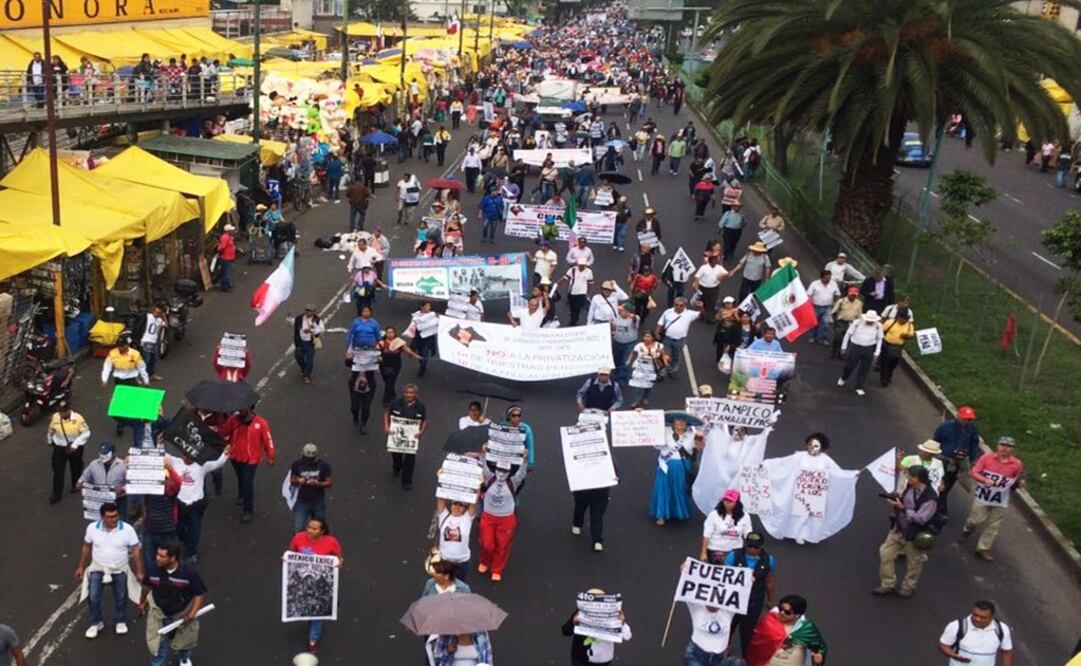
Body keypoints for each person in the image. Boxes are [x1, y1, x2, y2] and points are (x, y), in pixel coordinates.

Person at [75, 502, 144, 639]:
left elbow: (135, 550)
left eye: (115, 516)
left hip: (120, 568)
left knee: (121, 597)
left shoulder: (128, 529)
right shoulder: (92, 528)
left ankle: (120, 620)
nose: (114, 519)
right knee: (93, 597)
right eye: (110, 517)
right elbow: (87, 547)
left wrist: (139, 571)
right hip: (97, 567)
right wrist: (81, 566)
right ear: (102, 517)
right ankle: (96, 622)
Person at [873, 465, 938, 598]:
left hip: (914, 534)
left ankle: (908, 587)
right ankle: (887, 583)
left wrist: (902, 508)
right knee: (885, 553)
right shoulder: (910, 487)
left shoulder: (930, 498)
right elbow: (902, 498)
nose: (907, 478)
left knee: (914, 563)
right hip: (899, 528)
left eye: (909, 476)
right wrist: (894, 499)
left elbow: (921, 518)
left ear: (916, 479)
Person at [139, 541, 208, 666]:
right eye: (157, 554)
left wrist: (191, 614)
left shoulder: (189, 572)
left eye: (162, 556)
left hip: (181, 613)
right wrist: (142, 601)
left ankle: (185, 658)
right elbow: (146, 585)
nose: (157, 558)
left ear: (173, 558)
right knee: (158, 644)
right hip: (158, 613)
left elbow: (200, 593)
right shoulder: (153, 568)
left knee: (183, 639)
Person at [960, 436, 1025, 562]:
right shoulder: (987, 458)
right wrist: (985, 480)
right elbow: (974, 472)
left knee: (994, 525)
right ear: (997, 446)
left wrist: (1021, 481)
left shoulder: (1016, 464)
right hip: (984, 495)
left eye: (1008, 446)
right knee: (975, 520)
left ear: (1013, 449)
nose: (1005, 448)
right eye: (1002, 445)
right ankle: (967, 530)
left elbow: (1019, 475)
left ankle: (983, 548)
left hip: (1000, 498)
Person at [287, 517, 343, 653]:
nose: (310, 531)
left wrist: (339, 564)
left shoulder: (331, 542)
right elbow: (291, 553)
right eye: (309, 527)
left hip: (321, 585)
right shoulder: (298, 538)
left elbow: (339, 558)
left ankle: (313, 640)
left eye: (314, 528)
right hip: (304, 583)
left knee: (319, 611)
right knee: (310, 608)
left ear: (322, 531)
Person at [166, 443, 229, 564]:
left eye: (189, 455)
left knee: (195, 529)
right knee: (178, 529)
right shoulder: (176, 462)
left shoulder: (202, 465)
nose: (186, 457)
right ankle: (188, 543)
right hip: (180, 503)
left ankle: (191, 553)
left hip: (196, 504)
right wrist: (160, 443)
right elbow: (162, 455)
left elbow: (218, 464)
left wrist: (226, 453)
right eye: (184, 454)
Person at [478, 447, 529, 582]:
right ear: (495, 469)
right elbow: (482, 465)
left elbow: (522, 473)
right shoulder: (489, 478)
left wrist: (524, 459)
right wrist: (483, 452)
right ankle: (484, 560)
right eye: (500, 469)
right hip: (488, 517)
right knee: (487, 544)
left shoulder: (513, 482)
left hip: (506, 519)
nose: (502, 473)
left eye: (505, 470)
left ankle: (496, 569)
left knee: (502, 546)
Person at [220, 408, 276, 523]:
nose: (239, 412)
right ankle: (241, 495)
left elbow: (267, 440)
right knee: (240, 477)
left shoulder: (261, 423)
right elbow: (223, 432)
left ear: (250, 409)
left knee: (247, 483)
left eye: (242, 410)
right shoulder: (233, 420)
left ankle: (248, 510)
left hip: (251, 459)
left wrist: (271, 456)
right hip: (235, 456)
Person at [725, 532, 776, 654]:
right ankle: (723, 648)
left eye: (756, 547)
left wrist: (770, 600)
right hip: (733, 600)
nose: (752, 549)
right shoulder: (734, 555)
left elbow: (770, 581)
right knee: (728, 627)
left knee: (748, 632)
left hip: (754, 602)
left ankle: (746, 656)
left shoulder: (769, 560)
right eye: (749, 546)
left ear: (761, 546)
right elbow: (724, 576)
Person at [745, 595, 827, 665]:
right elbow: (756, 645)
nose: (782, 613)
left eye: (787, 612)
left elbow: (820, 646)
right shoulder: (769, 621)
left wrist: (819, 655)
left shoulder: (806, 628)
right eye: (781, 609)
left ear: (797, 615)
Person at [932, 405, 981, 519]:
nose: (966, 421)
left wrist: (974, 459)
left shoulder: (972, 428)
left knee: (948, 485)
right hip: (943, 460)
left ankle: (939, 504)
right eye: (965, 418)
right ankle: (939, 508)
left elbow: (974, 443)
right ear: (958, 416)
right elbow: (935, 441)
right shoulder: (946, 427)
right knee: (938, 483)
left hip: (958, 462)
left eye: (969, 419)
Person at [651, 417, 700, 526]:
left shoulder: (692, 434)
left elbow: (698, 448)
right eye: (678, 420)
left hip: (682, 465)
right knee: (664, 488)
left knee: (680, 489)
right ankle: (661, 514)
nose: (681, 423)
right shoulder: (665, 431)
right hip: (667, 464)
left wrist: (700, 441)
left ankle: (678, 512)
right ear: (673, 422)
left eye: (683, 421)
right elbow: (656, 444)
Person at [561, 590, 632, 665]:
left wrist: (622, 624)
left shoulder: (613, 613)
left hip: (602, 660)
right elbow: (565, 631)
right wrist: (573, 623)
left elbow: (627, 636)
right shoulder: (579, 613)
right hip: (581, 658)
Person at [101, 333, 149, 441]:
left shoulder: (135, 354)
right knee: (119, 406)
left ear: (127, 345)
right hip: (119, 382)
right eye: (118, 346)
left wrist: (146, 380)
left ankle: (138, 422)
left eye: (122, 346)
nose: (120, 348)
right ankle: (121, 423)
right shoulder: (113, 353)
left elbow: (142, 368)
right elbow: (107, 366)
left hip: (132, 381)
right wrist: (104, 379)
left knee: (134, 402)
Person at [937, 600, 1014, 666]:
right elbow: (943, 645)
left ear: (991, 617)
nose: (978, 619)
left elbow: (1006, 652)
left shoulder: (1002, 629)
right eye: (975, 615)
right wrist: (955, 656)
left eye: (983, 617)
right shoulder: (956, 626)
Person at [384, 384, 429, 491]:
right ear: (404, 393)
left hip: (411, 438)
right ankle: (396, 467)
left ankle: (406, 481)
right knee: (396, 455)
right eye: (407, 392)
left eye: (412, 393)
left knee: (410, 460)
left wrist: (421, 432)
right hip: (396, 437)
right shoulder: (395, 403)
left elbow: (425, 420)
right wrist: (386, 426)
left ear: (416, 394)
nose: (409, 395)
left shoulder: (421, 406)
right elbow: (387, 414)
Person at [47, 401, 90, 504]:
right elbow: (51, 430)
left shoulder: (78, 419)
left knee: (76, 467)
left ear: (68, 411)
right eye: (59, 412)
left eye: (63, 412)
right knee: (58, 470)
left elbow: (86, 433)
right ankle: (56, 494)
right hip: (60, 447)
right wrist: (49, 440)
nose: (60, 415)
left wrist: (75, 445)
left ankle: (76, 484)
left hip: (75, 447)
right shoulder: (56, 417)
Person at [837, 310, 883, 396]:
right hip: (855, 347)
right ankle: (843, 377)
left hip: (869, 348)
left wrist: (877, 353)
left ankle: (859, 386)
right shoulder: (857, 323)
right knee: (850, 365)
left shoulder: (878, 326)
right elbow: (848, 334)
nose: (870, 322)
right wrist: (844, 347)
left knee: (864, 369)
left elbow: (880, 339)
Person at [290, 443, 333, 535]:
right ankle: (297, 548)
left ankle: (320, 547)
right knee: (297, 529)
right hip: (302, 501)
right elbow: (292, 480)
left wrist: (318, 483)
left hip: (318, 502)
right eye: (307, 459)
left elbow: (329, 483)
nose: (309, 461)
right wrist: (298, 481)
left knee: (320, 529)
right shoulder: (297, 464)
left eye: (311, 459)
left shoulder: (324, 465)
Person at [700, 489, 752, 564]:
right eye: (726, 500)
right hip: (716, 549)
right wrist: (703, 552)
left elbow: (748, 534)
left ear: (737, 502)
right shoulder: (714, 515)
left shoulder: (745, 516)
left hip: (736, 550)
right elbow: (707, 535)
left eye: (730, 501)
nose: (727, 503)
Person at [77, 442, 128, 517]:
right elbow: (85, 476)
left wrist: (123, 489)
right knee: (101, 522)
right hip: (100, 499)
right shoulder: (94, 464)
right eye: (102, 453)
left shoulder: (123, 465)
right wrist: (79, 483)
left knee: (121, 520)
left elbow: (131, 482)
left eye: (106, 453)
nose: (103, 456)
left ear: (113, 453)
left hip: (118, 499)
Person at [434, 495, 479, 580]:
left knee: (459, 588)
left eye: (461, 505)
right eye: (455, 504)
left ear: (465, 508)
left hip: (462, 562)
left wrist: (478, 486)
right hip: (445, 560)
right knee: (444, 587)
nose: (457, 507)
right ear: (450, 505)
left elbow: (474, 502)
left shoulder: (467, 518)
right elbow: (441, 496)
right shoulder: (444, 515)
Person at [655, 297, 702, 379]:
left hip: (680, 340)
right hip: (667, 338)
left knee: (676, 356)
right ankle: (662, 372)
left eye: (681, 305)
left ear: (685, 306)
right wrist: (657, 333)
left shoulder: (689, 314)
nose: (678, 307)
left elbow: (701, 315)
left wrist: (702, 307)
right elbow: (660, 323)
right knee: (664, 355)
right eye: (676, 305)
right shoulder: (668, 312)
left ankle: (672, 370)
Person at [377, 326, 420, 406]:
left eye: (391, 332)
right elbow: (377, 353)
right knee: (387, 381)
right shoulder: (382, 342)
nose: (390, 334)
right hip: (384, 365)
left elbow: (407, 349)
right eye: (388, 332)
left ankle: (386, 399)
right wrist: (377, 363)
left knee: (390, 381)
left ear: (395, 333)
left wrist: (415, 355)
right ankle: (392, 392)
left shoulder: (399, 342)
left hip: (395, 365)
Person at [683, 600, 735, 666]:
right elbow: (687, 592)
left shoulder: (729, 610)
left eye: (717, 600)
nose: (713, 603)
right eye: (711, 600)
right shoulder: (696, 606)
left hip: (720, 660)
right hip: (696, 657)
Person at [878, 310, 915, 386]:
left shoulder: (909, 326)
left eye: (906, 319)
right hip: (887, 345)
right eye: (902, 319)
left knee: (894, 362)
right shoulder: (890, 322)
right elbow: (881, 330)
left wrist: (906, 336)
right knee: (885, 362)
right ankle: (884, 378)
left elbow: (911, 335)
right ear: (899, 317)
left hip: (898, 347)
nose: (904, 321)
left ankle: (888, 374)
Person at [292, 304, 325, 385]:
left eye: (310, 311)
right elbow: (292, 322)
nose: (308, 312)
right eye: (307, 310)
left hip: (310, 343)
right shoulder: (299, 318)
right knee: (298, 357)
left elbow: (322, 330)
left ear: (314, 312)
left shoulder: (317, 320)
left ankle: (307, 375)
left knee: (309, 361)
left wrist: (311, 331)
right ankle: (304, 369)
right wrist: (288, 317)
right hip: (300, 342)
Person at [805, 271, 840, 345]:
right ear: (821, 277)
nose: (828, 279)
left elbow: (837, 294)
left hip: (828, 307)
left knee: (825, 324)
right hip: (816, 306)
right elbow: (809, 294)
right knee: (814, 322)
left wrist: (836, 304)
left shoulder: (833, 284)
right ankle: (812, 336)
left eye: (829, 278)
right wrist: (809, 302)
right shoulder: (814, 284)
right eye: (826, 278)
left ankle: (823, 338)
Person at [828, 286, 863, 359]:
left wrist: (859, 324)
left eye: (854, 295)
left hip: (852, 323)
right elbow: (834, 311)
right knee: (838, 339)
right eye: (852, 295)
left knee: (847, 340)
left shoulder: (859, 303)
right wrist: (831, 319)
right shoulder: (841, 301)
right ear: (848, 294)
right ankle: (833, 352)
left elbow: (859, 314)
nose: (853, 297)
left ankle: (841, 354)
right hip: (841, 322)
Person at [560, 258, 595, 326]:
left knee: (577, 307)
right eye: (580, 265)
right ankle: (573, 318)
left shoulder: (589, 272)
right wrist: (558, 283)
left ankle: (574, 320)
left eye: (583, 265)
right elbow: (565, 277)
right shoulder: (572, 270)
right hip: (572, 292)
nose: (581, 267)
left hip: (582, 292)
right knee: (572, 307)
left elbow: (590, 283)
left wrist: (588, 292)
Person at [409, 301, 440, 377]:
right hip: (419, 337)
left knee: (425, 353)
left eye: (429, 306)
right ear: (422, 307)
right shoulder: (417, 315)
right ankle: (422, 364)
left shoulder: (433, 315)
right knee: (420, 353)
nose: (429, 307)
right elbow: (413, 326)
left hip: (428, 338)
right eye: (427, 306)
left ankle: (422, 369)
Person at [426, 632, 493, 666]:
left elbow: (488, 659)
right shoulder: (446, 634)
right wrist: (447, 651)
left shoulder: (481, 634)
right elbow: (435, 657)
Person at [139, 303, 167, 381]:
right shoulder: (148, 316)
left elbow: (166, 326)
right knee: (146, 360)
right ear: (153, 311)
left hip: (153, 342)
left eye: (159, 313)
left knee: (153, 360)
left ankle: (152, 374)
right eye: (156, 312)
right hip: (146, 340)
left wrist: (164, 316)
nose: (156, 314)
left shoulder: (159, 320)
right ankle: (142, 376)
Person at [217, 224, 237, 292]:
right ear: (228, 231)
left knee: (228, 272)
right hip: (225, 258)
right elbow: (221, 247)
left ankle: (227, 284)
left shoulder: (229, 237)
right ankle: (224, 287)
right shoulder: (225, 237)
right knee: (226, 273)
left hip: (229, 257)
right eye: (231, 230)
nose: (233, 231)